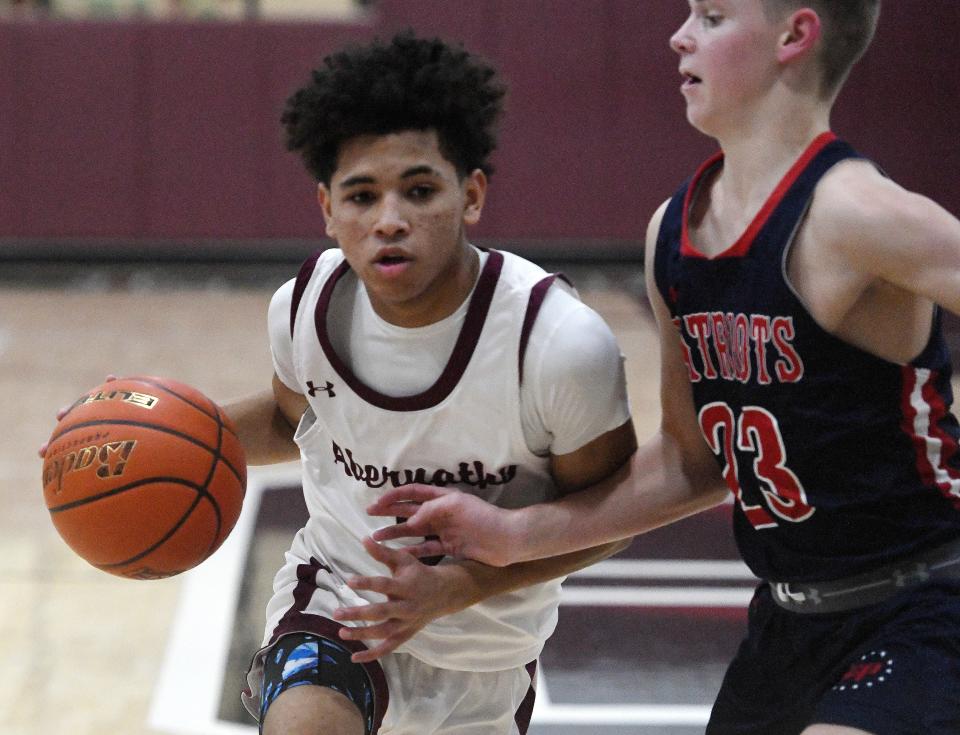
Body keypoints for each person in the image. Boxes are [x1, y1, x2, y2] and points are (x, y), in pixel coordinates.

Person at [366, 3, 960, 734]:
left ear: (795, 36)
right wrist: (511, 531)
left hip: (924, 604)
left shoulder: (859, 214)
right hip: (787, 619)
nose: (680, 35)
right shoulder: (673, 231)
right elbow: (692, 459)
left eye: (711, 16)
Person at [222, 33, 637, 735]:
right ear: (328, 210)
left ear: (471, 193)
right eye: (361, 195)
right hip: (336, 606)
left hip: (487, 649)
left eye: (418, 190)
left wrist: (462, 585)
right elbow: (295, 419)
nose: (389, 220)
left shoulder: (560, 343)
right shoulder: (304, 309)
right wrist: (149, 428)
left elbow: (613, 515)